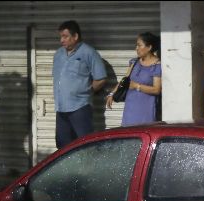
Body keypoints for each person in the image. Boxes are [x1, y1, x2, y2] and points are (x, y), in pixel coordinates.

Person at [53, 20, 107, 148]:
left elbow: (101, 78)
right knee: (62, 146)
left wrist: (85, 91)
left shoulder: (88, 52)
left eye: (65, 36)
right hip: (61, 108)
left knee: (84, 145)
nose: (62, 40)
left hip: (80, 107)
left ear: (75, 36)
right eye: (61, 36)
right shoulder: (58, 54)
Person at [106, 32, 162, 126]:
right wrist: (112, 93)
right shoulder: (134, 62)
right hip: (130, 109)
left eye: (139, 45)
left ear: (149, 47)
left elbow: (157, 90)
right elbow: (125, 80)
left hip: (146, 111)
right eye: (136, 45)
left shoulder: (157, 65)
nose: (136, 48)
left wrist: (137, 86)